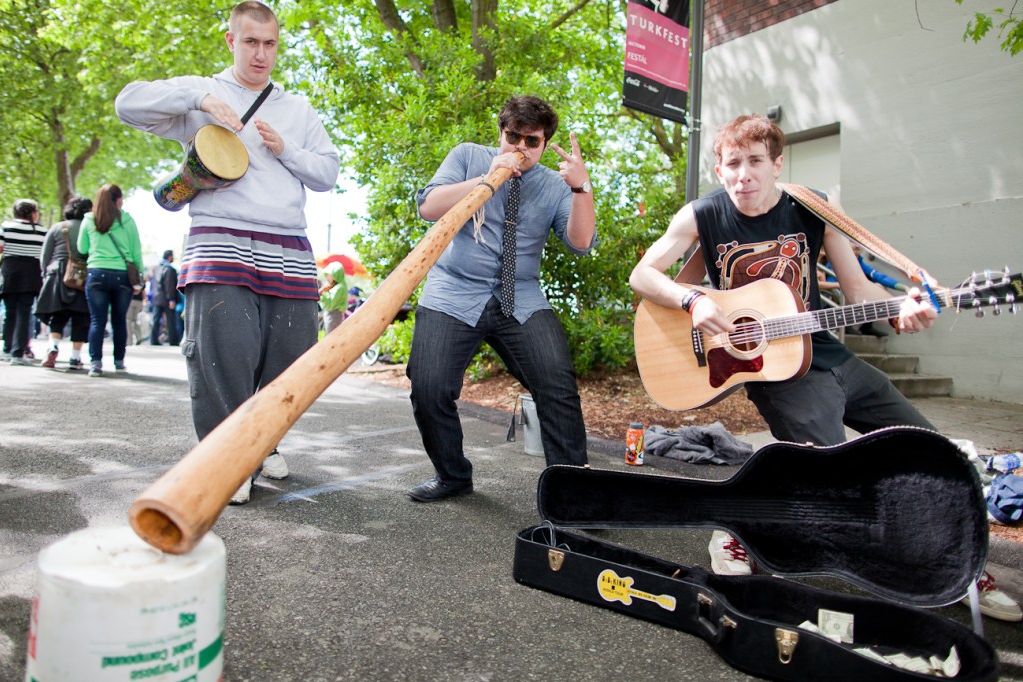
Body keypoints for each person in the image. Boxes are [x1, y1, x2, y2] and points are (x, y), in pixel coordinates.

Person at [629, 113, 1021, 622]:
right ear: (719, 169)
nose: (743, 174)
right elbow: (644, 275)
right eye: (732, 164)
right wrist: (693, 302)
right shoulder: (702, 215)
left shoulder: (812, 207)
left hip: (825, 352)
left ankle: (961, 566)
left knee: (932, 451)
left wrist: (903, 313)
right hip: (775, 368)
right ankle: (742, 526)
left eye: (754, 162)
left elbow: (860, 294)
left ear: (776, 164)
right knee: (835, 469)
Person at [115, 1, 340, 505]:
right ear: (230, 41)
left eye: (270, 43)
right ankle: (226, 462)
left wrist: (286, 150)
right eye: (250, 42)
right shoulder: (204, 91)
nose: (261, 54)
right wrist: (199, 97)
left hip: (289, 245)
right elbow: (126, 104)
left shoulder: (298, 108)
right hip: (220, 240)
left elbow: (327, 173)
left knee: (289, 362)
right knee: (223, 357)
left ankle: (262, 444)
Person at [406, 95, 597, 502]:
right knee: (428, 385)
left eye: (532, 142)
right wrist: (487, 179)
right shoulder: (468, 157)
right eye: (514, 137)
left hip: (520, 295)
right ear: (501, 132)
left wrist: (581, 187)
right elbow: (427, 206)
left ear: (545, 145)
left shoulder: (555, 184)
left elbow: (580, 243)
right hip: (454, 289)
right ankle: (453, 476)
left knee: (557, 385)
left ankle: (573, 496)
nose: (521, 149)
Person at [77, 183, 145, 377]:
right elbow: (136, 252)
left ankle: (95, 364)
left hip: (96, 274)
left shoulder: (90, 219)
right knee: (119, 321)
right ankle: (119, 362)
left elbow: (82, 248)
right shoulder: (127, 220)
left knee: (97, 321)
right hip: (122, 276)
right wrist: (139, 279)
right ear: (117, 200)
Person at [35, 196, 93, 370]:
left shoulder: (57, 227)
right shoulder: (90, 227)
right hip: (81, 275)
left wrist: (46, 274)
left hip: (57, 274)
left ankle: (53, 346)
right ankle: (75, 358)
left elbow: (45, 255)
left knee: (57, 315)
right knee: (80, 317)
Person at [0, 199, 47, 366]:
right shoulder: (41, 231)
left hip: (10, 272)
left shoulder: (6, 226)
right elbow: (44, 253)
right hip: (31, 273)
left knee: (10, 312)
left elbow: (0, 248)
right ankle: (18, 353)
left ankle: (6, 349)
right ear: (33, 213)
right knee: (24, 313)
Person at [150, 250, 180, 345]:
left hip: (156, 298)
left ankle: (153, 339)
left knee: (156, 320)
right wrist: (171, 299)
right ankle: (173, 340)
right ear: (170, 257)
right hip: (166, 299)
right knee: (170, 320)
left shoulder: (157, 268)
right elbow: (169, 285)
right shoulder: (169, 269)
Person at [318, 260, 348, 334]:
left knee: (331, 335)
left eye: (329, 275)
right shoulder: (337, 286)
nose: (327, 277)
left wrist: (322, 295)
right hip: (332, 314)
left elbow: (331, 304)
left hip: (334, 315)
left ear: (336, 274)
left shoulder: (339, 287)